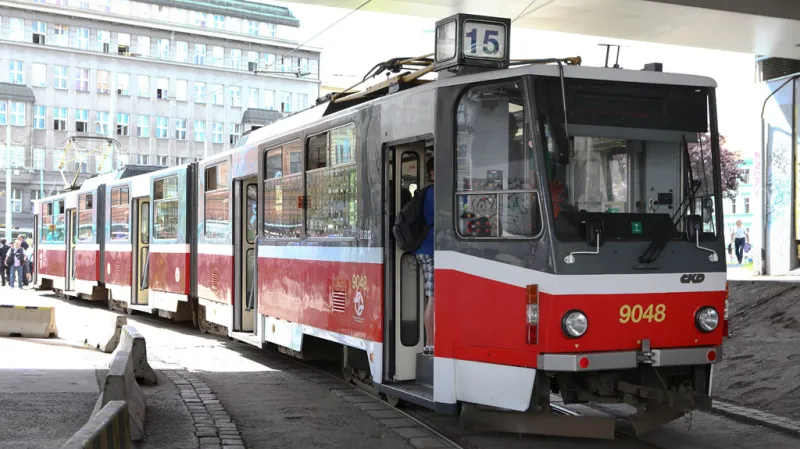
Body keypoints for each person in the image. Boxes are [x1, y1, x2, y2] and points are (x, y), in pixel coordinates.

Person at [414, 157, 435, 355]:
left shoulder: (426, 193)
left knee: (432, 296)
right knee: (434, 296)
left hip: (423, 248)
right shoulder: (434, 193)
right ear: (432, 173)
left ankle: (431, 341)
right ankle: (431, 343)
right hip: (430, 249)